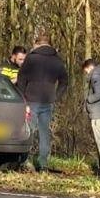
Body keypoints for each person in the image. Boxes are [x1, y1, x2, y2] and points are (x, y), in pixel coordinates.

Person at [17, 30, 68, 171]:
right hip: (48, 100)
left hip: (31, 100)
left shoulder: (31, 58)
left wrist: (23, 98)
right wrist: (56, 96)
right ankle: (43, 163)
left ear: (37, 43)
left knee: (29, 131)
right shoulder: (57, 60)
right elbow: (64, 81)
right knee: (45, 133)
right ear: (50, 44)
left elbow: (21, 78)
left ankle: (25, 160)